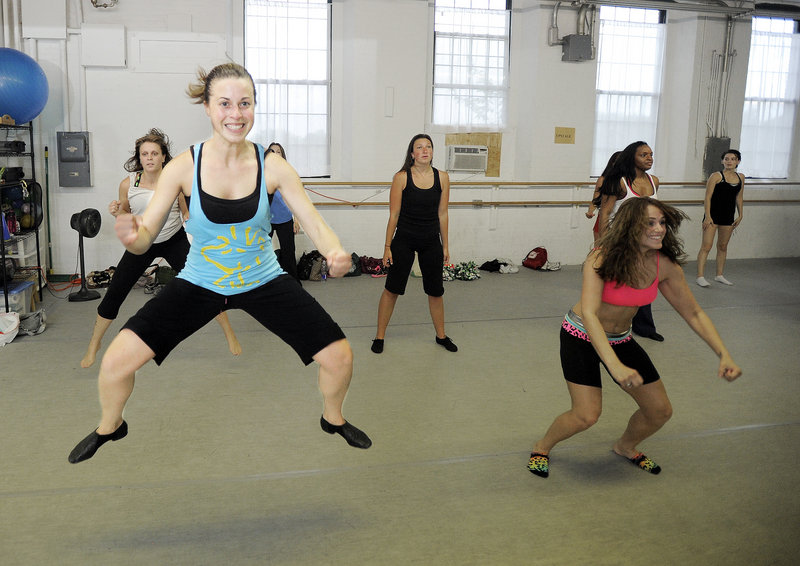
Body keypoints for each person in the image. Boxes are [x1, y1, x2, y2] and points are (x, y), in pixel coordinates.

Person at [68, 63, 371, 464]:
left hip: (263, 279)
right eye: (225, 103)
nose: (236, 113)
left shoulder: (273, 166)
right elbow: (145, 238)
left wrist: (335, 251)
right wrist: (131, 235)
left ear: (254, 108)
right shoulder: (183, 166)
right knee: (116, 362)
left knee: (340, 356)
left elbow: (314, 222)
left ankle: (332, 418)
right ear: (208, 109)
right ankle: (111, 424)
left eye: (245, 103)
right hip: (201, 281)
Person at [527, 197, 741, 479]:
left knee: (659, 411)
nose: (659, 229)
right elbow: (590, 314)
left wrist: (723, 353)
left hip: (620, 339)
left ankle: (625, 446)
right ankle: (542, 447)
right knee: (586, 415)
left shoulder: (664, 265)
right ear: (631, 226)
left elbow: (694, 313)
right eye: (650, 223)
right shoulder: (602, 257)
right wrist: (614, 366)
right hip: (580, 334)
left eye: (662, 222)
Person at [80, 128, 240, 368]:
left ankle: (229, 333)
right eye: (145, 154)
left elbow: (186, 212)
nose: (150, 158)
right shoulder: (129, 183)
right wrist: (117, 212)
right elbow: (126, 214)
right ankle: (95, 343)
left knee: (205, 285)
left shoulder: (174, 180)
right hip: (143, 242)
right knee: (116, 292)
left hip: (174, 239)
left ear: (164, 156)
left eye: (155, 153)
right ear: (139, 157)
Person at [371, 134, 456, 354]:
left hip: (431, 240)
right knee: (392, 289)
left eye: (428, 146)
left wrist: (445, 246)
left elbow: (443, 214)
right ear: (412, 154)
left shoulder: (443, 178)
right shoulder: (401, 177)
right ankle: (379, 336)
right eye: (420, 147)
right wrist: (387, 247)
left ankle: (441, 335)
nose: (425, 150)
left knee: (436, 291)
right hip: (404, 240)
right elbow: (394, 214)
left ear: (432, 152)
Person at [597, 141, 663, 342]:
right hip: (622, 241)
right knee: (616, 283)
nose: (649, 158)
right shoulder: (619, 182)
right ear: (631, 157)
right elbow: (605, 213)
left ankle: (644, 327)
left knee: (645, 282)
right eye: (644, 155)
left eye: (651, 154)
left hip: (647, 243)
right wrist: (602, 245)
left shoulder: (654, 181)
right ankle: (605, 323)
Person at [696, 150, 744, 287]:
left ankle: (719, 275)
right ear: (722, 161)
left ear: (738, 161)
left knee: (722, 246)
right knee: (706, 246)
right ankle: (700, 276)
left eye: (733, 159)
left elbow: (739, 197)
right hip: (712, 216)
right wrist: (708, 216)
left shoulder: (741, 177)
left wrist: (741, 214)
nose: (729, 161)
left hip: (728, 216)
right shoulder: (716, 176)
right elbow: (707, 197)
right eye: (726, 159)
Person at [265, 142, 300, 282]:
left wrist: (296, 219)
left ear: (282, 154)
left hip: (284, 218)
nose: (275, 153)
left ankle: (292, 282)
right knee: (263, 252)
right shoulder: (262, 173)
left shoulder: (288, 173)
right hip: (266, 219)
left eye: (278, 151)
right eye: (271, 151)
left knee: (288, 252)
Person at [586, 151, 622, 242]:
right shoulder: (603, 179)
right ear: (612, 163)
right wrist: (590, 211)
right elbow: (596, 198)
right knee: (599, 249)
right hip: (605, 217)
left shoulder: (631, 181)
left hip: (622, 218)